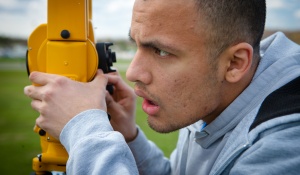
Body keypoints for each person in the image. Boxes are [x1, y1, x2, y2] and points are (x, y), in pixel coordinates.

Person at [24, 0, 300, 174]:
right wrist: (128, 137)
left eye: (161, 51)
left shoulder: (286, 145)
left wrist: (85, 132)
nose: (132, 72)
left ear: (234, 64)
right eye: (138, 44)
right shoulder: (211, 98)